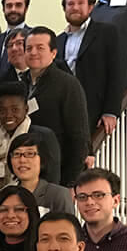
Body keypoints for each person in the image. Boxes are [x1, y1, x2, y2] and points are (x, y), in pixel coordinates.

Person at [22, 26, 90, 185]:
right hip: (24, 168)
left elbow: (78, 137)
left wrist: (70, 182)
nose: (33, 53)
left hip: (55, 173)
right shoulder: (20, 83)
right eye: (29, 48)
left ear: (53, 53)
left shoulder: (68, 84)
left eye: (40, 48)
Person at [56, 0, 125, 139]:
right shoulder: (57, 41)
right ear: (64, 8)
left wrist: (110, 111)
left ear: (91, 7)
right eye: (70, 4)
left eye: (80, 3)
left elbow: (116, 73)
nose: (75, 8)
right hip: (64, 111)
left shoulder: (107, 32)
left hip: (94, 110)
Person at [0, 81, 61, 191]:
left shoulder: (42, 136)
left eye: (15, 110)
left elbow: (52, 177)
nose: (8, 115)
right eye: (3, 110)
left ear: (26, 109)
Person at [7, 133, 74, 215]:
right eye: (17, 154)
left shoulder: (59, 195)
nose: (22, 160)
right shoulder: (6, 194)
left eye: (30, 154)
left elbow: (68, 227)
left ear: (42, 159)